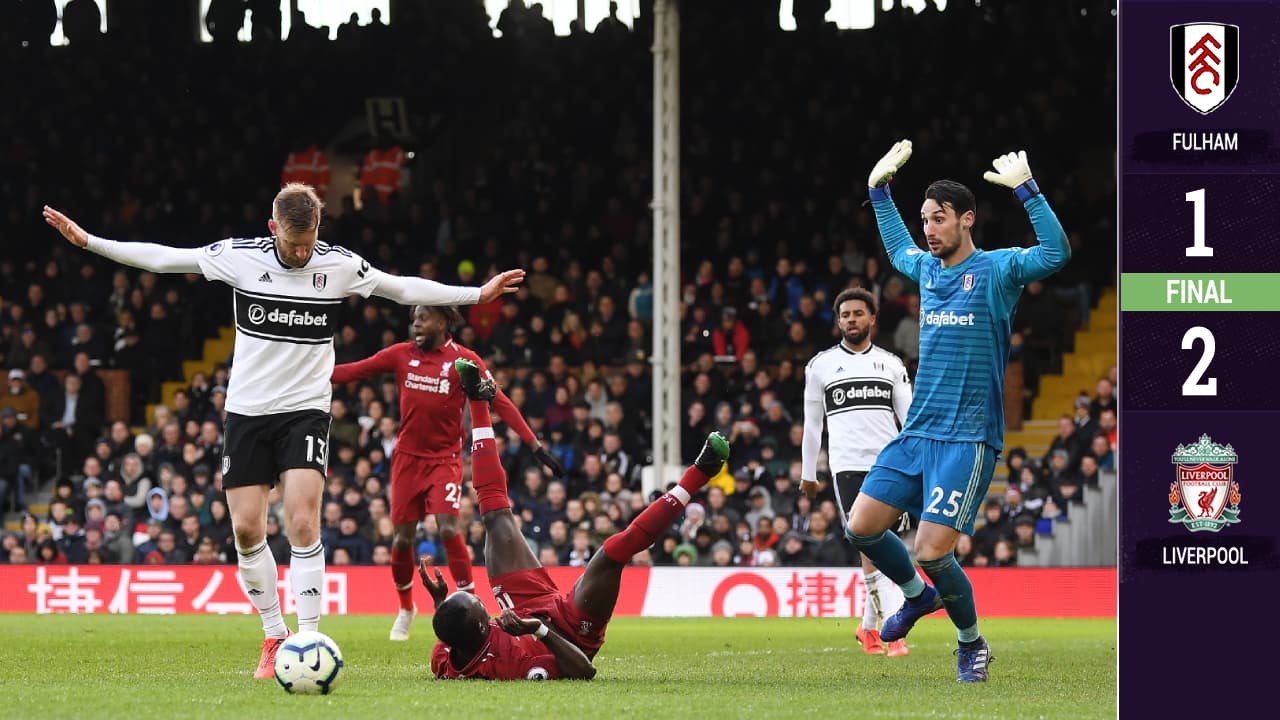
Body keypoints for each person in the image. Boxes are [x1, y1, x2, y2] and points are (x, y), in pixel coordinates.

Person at [42, 184, 523, 678]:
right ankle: (275, 635)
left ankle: (309, 637)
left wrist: (476, 293)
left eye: (309, 241)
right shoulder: (240, 257)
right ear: (274, 229)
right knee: (248, 529)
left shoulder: (336, 265)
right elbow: (166, 259)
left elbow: (399, 287)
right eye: (293, 243)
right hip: (248, 413)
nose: (301, 252)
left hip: (305, 411)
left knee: (301, 521)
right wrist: (90, 242)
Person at [844, 141, 1069, 682]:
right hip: (919, 430)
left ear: (967, 219)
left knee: (931, 549)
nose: (928, 229)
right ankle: (920, 599)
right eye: (924, 219)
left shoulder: (996, 271)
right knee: (862, 527)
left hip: (967, 438)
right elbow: (898, 246)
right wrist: (878, 192)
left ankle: (971, 643)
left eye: (938, 218)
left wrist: (1028, 190)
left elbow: (1055, 253)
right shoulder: (927, 271)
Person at [420, 358, 730, 680]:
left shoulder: (443, 656)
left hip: (524, 607)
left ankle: (476, 397)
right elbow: (584, 671)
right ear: (483, 625)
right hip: (566, 635)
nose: (484, 602)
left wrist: (443, 601)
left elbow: (453, 633)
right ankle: (700, 473)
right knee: (611, 555)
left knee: (496, 518)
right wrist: (539, 629)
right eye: (480, 605)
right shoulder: (517, 666)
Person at [331, 303, 564, 641]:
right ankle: (406, 608)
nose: (416, 325)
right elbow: (352, 371)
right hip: (407, 460)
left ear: (442, 321)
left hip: (444, 460)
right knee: (401, 539)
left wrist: (535, 446)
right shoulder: (401, 355)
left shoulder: (464, 360)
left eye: (422, 319)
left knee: (448, 528)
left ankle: (472, 601)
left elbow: (500, 401)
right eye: (413, 320)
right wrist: (305, 367)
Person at [799, 287, 913, 657]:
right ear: (838, 321)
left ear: (872, 318)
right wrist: (808, 472)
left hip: (889, 463)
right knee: (869, 542)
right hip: (846, 465)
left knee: (885, 547)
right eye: (845, 314)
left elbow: (908, 420)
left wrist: (916, 462)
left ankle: (868, 629)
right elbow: (813, 424)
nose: (851, 319)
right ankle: (895, 629)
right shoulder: (820, 366)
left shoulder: (892, 365)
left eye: (858, 313)